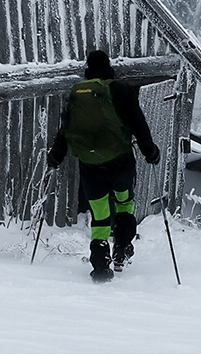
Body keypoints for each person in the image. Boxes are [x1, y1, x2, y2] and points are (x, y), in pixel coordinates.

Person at [47, 50, 161, 282]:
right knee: (125, 205)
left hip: (90, 168)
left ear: (87, 69)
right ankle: (121, 251)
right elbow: (139, 124)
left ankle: (100, 267)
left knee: (99, 216)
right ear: (109, 67)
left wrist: (55, 157)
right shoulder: (121, 91)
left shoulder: (79, 96)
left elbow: (65, 131)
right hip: (121, 164)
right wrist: (151, 152)